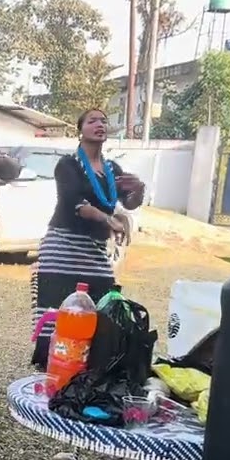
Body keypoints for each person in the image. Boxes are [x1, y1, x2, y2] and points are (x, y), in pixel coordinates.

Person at [30, 108, 144, 368]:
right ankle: (49, 366)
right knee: (57, 308)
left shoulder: (113, 169)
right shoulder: (68, 165)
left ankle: (89, 364)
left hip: (94, 249)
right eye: (92, 120)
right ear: (80, 129)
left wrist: (139, 189)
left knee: (103, 302)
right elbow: (75, 203)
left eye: (103, 120)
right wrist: (108, 219)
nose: (99, 124)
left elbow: (130, 202)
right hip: (62, 246)